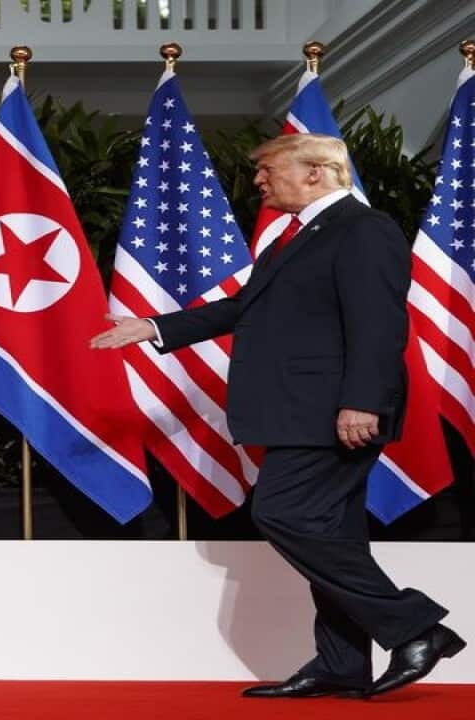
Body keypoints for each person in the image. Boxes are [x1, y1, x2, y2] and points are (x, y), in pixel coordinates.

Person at [90, 133, 463, 698]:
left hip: (334, 409)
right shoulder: (294, 239)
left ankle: (415, 628)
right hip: (300, 410)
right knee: (335, 532)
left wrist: (361, 400)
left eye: (268, 169)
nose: (260, 180)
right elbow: (248, 307)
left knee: (282, 514)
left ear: (315, 172)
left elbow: (379, 324)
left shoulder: (363, 229)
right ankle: (341, 664)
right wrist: (156, 328)